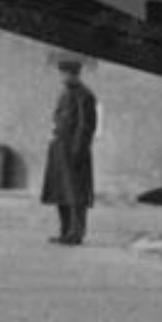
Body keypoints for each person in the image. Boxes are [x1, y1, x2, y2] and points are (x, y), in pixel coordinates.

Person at [42, 57, 98, 245]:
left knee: (75, 194)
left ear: (76, 75)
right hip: (60, 149)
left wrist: (77, 151)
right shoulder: (64, 94)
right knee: (61, 192)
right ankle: (65, 231)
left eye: (67, 74)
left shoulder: (85, 95)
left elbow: (86, 126)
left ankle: (76, 233)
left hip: (74, 152)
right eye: (63, 74)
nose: (64, 77)